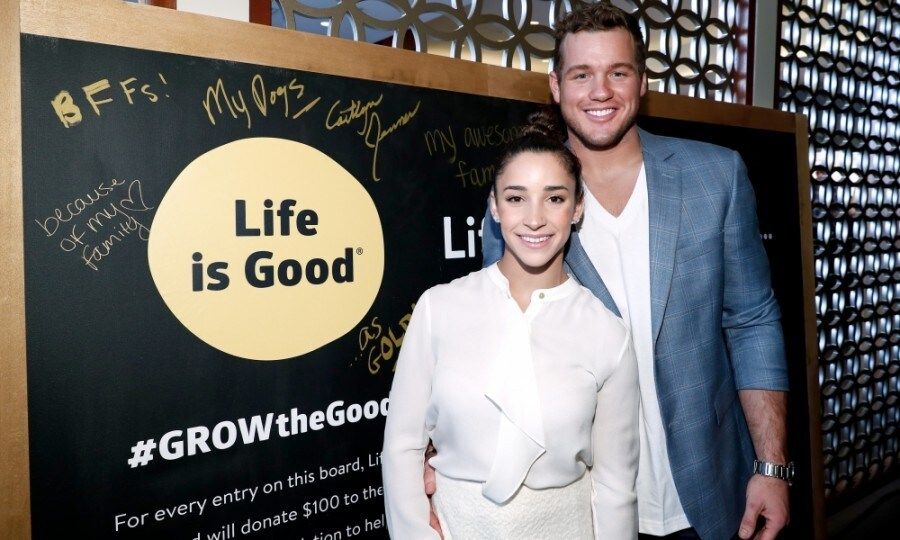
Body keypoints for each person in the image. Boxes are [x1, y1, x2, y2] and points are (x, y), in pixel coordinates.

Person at [426, 3, 792, 539]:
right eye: (581, 74)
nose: (600, 91)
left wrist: (772, 467)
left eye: (617, 72)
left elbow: (753, 321)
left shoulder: (717, 176)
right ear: (555, 86)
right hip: (586, 508)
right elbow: (495, 343)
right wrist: (436, 448)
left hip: (715, 495)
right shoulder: (524, 206)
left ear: (641, 82)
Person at [381, 116, 641, 538]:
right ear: (495, 206)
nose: (534, 219)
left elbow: (614, 486)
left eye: (554, 198)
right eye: (517, 198)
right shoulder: (439, 308)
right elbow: (401, 448)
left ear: (577, 208)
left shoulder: (607, 334)